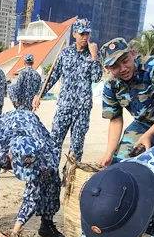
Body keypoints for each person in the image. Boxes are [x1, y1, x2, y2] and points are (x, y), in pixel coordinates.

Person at [33, 19, 102, 173]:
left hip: (82, 108)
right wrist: (39, 94)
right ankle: (52, 174)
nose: (85, 37)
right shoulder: (65, 53)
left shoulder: (93, 54)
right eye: (82, 33)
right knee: (55, 141)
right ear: (74, 34)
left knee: (77, 146)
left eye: (87, 33)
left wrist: (94, 57)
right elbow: (52, 76)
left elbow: (97, 78)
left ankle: (69, 177)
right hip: (64, 106)